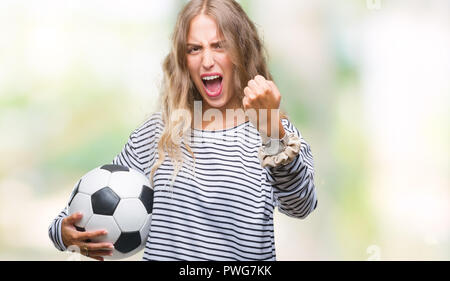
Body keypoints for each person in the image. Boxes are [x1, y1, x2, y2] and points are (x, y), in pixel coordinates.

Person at [49, 0, 317, 261]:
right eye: (194, 49)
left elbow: (301, 206)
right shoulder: (159, 133)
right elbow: (76, 213)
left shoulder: (274, 132)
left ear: (241, 50)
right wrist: (64, 234)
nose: (207, 60)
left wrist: (271, 130)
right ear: (183, 60)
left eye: (219, 46)